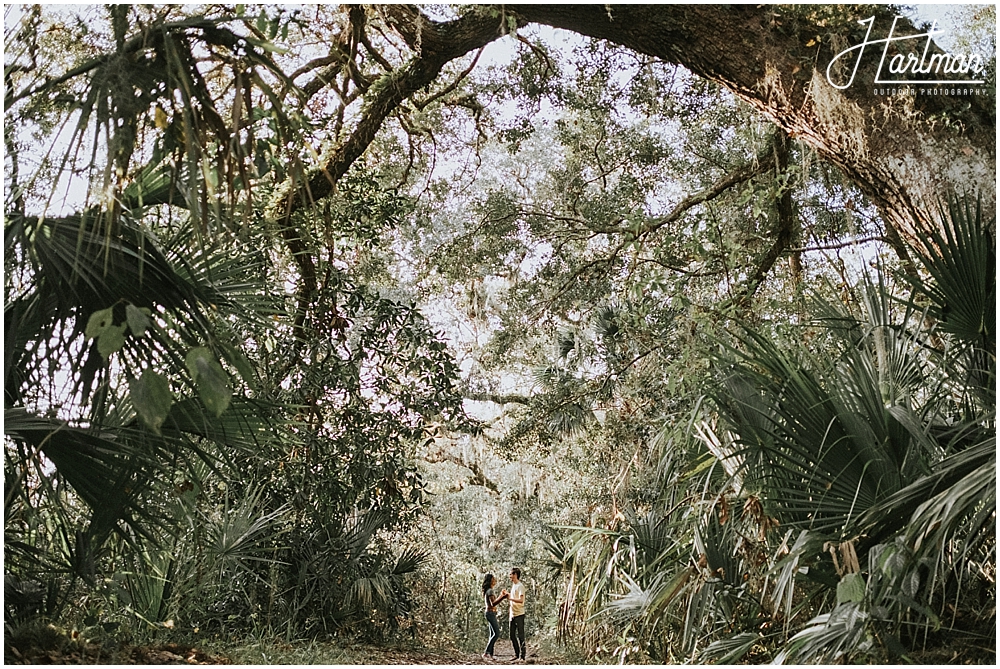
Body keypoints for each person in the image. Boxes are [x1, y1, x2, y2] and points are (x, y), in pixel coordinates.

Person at [481, 573, 508, 660]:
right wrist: (502, 597)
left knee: (492, 634)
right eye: (493, 579)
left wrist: (500, 595)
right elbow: (493, 603)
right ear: (490, 581)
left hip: (489, 613)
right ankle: (486, 652)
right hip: (490, 613)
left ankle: (491, 654)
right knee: (496, 633)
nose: (495, 580)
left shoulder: (488, 590)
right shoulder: (490, 591)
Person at [508, 567, 526, 661]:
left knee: (520, 635)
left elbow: (521, 600)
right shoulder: (513, 585)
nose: (509, 576)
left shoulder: (520, 586)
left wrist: (510, 598)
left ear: (515, 575)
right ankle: (516, 653)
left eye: (511, 574)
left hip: (519, 614)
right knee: (512, 635)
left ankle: (522, 656)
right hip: (512, 614)